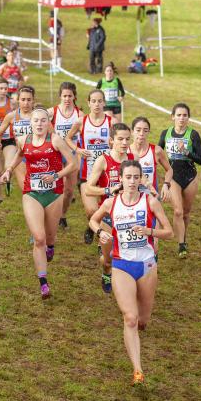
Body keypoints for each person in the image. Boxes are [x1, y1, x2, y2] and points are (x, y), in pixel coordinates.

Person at [89, 160, 174, 385]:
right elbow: (93, 219)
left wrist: (149, 231)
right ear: (121, 179)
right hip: (121, 264)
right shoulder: (111, 203)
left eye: (137, 177)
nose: (133, 182)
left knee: (143, 320)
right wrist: (100, 232)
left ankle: (138, 337)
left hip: (146, 265)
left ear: (140, 179)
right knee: (130, 318)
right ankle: (137, 370)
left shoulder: (150, 202)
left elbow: (169, 232)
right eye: (128, 177)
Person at [0, 107, 77, 299]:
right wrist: (9, 170)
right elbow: (19, 154)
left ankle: (50, 248)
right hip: (32, 193)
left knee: (49, 239)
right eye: (36, 121)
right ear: (30, 123)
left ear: (48, 122)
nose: (40, 124)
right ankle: (43, 282)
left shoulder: (56, 140)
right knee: (39, 238)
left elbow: (73, 163)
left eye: (43, 120)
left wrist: (56, 176)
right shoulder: (24, 140)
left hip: (54, 194)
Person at [85, 123, 134, 294]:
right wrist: (108, 190)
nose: (124, 143)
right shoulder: (103, 161)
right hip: (107, 217)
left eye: (127, 139)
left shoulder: (133, 160)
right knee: (108, 259)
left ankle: (127, 286)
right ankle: (106, 272)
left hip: (129, 216)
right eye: (120, 139)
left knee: (128, 255)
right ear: (112, 141)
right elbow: (88, 189)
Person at [65, 89, 112, 245]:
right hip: (87, 173)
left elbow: (121, 141)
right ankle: (91, 225)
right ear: (88, 103)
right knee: (91, 210)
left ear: (104, 103)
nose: (97, 104)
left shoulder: (112, 122)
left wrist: (114, 145)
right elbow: (68, 138)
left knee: (107, 210)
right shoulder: (81, 122)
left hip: (107, 173)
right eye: (94, 101)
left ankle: (101, 242)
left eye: (100, 101)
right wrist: (78, 150)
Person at [158, 103, 201, 258]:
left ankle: (183, 236)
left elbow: (200, 159)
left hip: (190, 176)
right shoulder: (166, 133)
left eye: (185, 115)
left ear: (188, 118)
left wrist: (187, 152)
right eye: (179, 115)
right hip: (173, 176)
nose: (182, 118)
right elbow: (157, 152)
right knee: (178, 211)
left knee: (186, 213)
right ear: (173, 117)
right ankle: (181, 244)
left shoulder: (193, 135)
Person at [51, 82, 81, 229]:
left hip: (72, 153)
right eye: (64, 96)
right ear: (60, 96)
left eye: (70, 95)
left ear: (74, 96)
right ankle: (53, 217)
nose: (67, 98)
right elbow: (36, 118)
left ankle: (62, 214)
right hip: (56, 153)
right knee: (58, 188)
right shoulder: (53, 112)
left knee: (69, 191)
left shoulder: (79, 114)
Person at [0, 85, 35, 194]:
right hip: (21, 156)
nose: (26, 103)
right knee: (27, 191)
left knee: (39, 191)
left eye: (29, 100)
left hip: (38, 157)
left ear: (33, 101)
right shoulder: (11, 116)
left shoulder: (38, 116)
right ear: (18, 100)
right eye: (23, 100)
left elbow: (52, 135)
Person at [130, 116, 172, 198]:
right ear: (132, 131)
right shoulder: (125, 151)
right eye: (138, 130)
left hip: (151, 197)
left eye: (145, 130)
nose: (141, 134)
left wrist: (166, 184)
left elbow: (169, 170)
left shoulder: (156, 151)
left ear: (148, 132)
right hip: (130, 199)